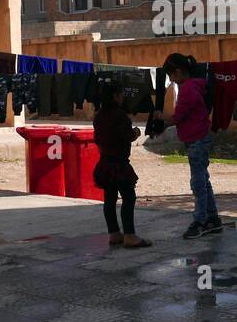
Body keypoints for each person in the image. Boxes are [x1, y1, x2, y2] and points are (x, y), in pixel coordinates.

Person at [153, 53, 223, 239]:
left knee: (198, 183)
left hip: (196, 140)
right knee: (204, 180)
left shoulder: (187, 90)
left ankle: (200, 221)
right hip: (200, 138)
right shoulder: (196, 86)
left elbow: (178, 117)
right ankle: (213, 218)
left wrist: (161, 118)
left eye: (171, 77)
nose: (171, 81)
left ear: (178, 72)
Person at [92, 82, 151, 248]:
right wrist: (136, 132)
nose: (122, 98)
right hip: (119, 163)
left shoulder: (99, 116)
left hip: (105, 162)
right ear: (115, 97)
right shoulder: (119, 115)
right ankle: (130, 235)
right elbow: (127, 135)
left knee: (109, 200)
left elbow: (98, 138)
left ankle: (114, 233)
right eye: (120, 95)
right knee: (128, 198)